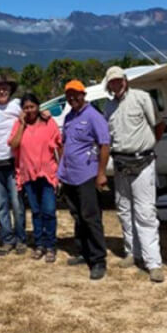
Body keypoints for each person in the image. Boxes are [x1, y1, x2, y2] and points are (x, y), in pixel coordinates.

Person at [103, 66, 167, 283]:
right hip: (121, 163)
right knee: (123, 210)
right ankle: (132, 252)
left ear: (125, 80)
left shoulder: (142, 98)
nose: (116, 84)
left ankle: (153, 263)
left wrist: (148, 148)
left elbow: (159, 124)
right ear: (108, 85)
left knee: (145, 212)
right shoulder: (108, 107)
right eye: (112, 81)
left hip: (143, 161)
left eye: (119, 80)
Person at [57, 79, 111, 280]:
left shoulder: (93, 116)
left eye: (76, 94)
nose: (72, 98)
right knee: (77, 216)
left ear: (83, 95)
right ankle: (83, 252)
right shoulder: (69, 117)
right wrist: (61, 171)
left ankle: (98, 260)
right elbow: (65, 144)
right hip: (69, 176)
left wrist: (101, 173)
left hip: (87, 175)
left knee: (91, 217)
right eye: (69, 95)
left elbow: (104, 144)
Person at [8, 93, 62, 263]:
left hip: (47, 175)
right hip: (28, 175)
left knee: (49, 211)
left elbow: (59, 145)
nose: (29, 110)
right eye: (26, 108)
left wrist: (61, 170)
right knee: (36, 212)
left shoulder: (48, 122)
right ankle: (39, 244)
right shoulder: (19, 124)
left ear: (38, 106)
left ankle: (51, 245)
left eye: (32, 106)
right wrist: (22, 125)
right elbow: (13, 144)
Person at [0, 74, 27, 256]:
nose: (1, 91)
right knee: (1, 204)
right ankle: (6, 239)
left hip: (14, 161)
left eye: (4, 88)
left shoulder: (17, 105)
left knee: (17, 203)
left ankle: (20, 239)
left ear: (10, 90)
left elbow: (32, 115)